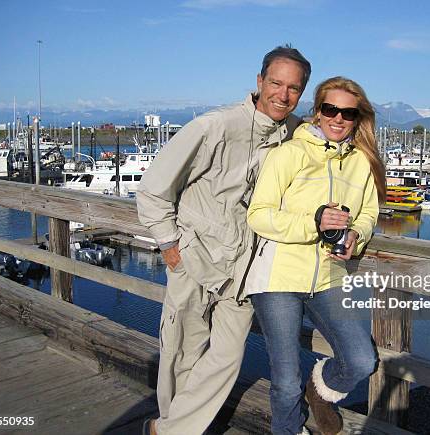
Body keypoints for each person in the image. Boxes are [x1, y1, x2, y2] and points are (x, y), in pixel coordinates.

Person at [136, 45, 311, 435]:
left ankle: (164, 431)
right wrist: (169, 245)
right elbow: (153, 190)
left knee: (227, 358)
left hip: (246, 272)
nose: (283, 95)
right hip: (195, 259)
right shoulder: (214, 127)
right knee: (182, 353)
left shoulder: (298, 134)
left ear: (302, 92)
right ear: (259, 81)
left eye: (294, 88)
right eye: (276, 83)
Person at [245, 77, 386, 435]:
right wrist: (314, 222)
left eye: (348, 113)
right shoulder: (290, 153)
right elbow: (258, 214)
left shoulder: (361, 162)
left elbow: (368, 213)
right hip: (279, 278)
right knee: (285, 379)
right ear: (318, 111)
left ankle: (320, 390)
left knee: (361, 360)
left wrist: (358, 233)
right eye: (330, 109)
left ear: (358, 118)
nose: (338, 118)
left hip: (329, 277)